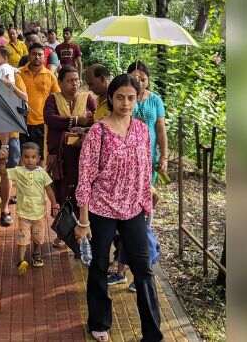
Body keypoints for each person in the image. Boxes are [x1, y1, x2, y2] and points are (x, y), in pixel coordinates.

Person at [74, 74, 162, 342]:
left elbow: (145, 167)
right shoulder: (97, 133)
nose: (125, 103)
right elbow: (85, 177)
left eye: (131, 98)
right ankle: (99, 322)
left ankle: (152, 333)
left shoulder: (141, 130)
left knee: (143, 269)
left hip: (134, 208)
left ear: (138, 99)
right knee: (99, 265)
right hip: (101, 209)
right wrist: (83, 220)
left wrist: (149, 197)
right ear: (110, 98)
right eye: (120, 97)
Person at [43, 66, 95, 248]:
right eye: (70, 80)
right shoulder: (53, 99)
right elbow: (50, 119)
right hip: (60, 158)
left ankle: (80, 231)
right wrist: (76, 120)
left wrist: (84, 121)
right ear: (60, 82)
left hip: (82, 156)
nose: (74, 84)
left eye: (76, 80)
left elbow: (94, 119)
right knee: (61, 193)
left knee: (80, 192)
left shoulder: (87, 98)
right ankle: (63, 233)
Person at [0, 46, 27, 227]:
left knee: (5, 172)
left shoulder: (14, 76)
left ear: (4, 57)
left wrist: (11, 87)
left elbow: (24, 98)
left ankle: (4, 210)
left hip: (10, 134)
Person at [8, 142, 58, 273]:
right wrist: (2, 163)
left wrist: (54, 203)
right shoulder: (18, 171)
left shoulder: (42, 173)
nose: (29, 160)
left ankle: (36, 254)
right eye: (26, 157)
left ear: (38, 158)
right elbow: (4, 174)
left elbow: (49, 189)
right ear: (21, 158)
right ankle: (21, 260)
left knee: (38, 236)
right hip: (23, 214)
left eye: (33, 157)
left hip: (39, 214)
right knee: (22, 237)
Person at [127, 61, 168, 185]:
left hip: (149, 153)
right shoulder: (124, 98)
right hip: (127, 153)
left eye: (143, 79)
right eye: (135, 79)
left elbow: (161, 130)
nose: (139, 82)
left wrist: (164, 156)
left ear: (148, 80)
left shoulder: (156, 100)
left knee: (147, 190)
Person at [19, 43, 61, 161]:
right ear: (29, 56)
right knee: (24, 157)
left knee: (40, 156)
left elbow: (57, 97)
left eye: (40, 54)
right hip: (22, 121)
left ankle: (40, 178)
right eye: (34, 54)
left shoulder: (50, 76)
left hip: (42, 122)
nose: (37, 57)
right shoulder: (19, 73)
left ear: (44, 57)